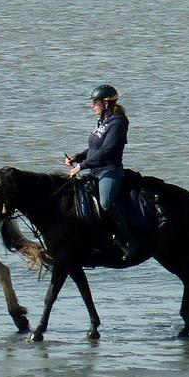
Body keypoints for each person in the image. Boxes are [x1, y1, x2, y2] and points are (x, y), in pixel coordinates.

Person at [66, 83, 139, 260]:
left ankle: (128, 239)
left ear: (105, 103)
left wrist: (81, 166)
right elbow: (94, 147)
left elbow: (107, 151)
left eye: (95, 102)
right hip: (94, 170)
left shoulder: (118, 122)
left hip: (109, 171)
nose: (92, 105)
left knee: (105, 202)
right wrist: (77, 157)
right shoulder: (103, 121)